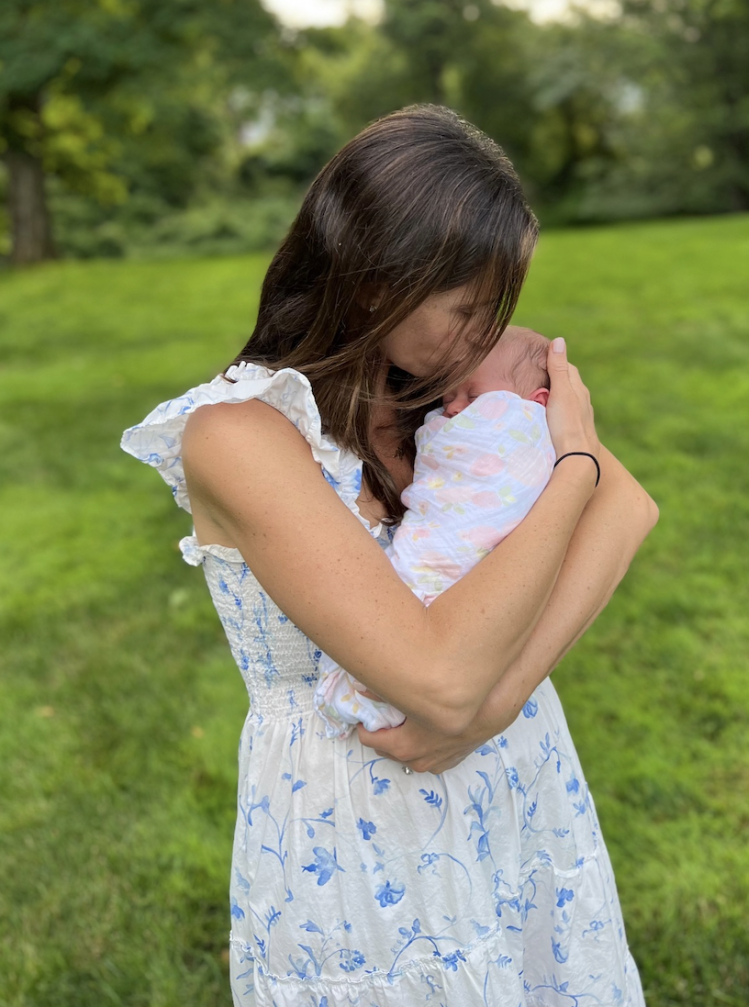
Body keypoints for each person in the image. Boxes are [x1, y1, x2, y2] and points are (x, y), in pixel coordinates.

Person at [120, 104, 658, 1007]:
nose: (487, 336)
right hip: (355, 834)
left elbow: (630, 510)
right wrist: (571, 465)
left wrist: (497, 704)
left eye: (499, 309)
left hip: (512, 784)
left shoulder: (437, 395)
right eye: (467, 308)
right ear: (377, 284)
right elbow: (436, 678)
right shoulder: (239, 435)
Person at [314, 326, 555, 736]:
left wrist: (582, 464)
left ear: (537, 403)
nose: (455, 410)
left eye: (475, 398)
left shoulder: (524, 416)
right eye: (449, 398)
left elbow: (630, 506)